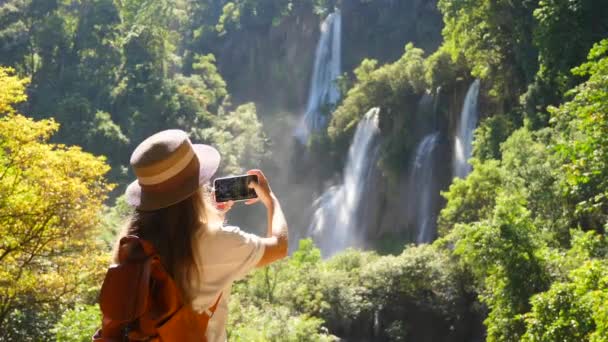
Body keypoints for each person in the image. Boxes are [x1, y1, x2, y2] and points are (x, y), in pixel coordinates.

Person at [115, 129, 288, 341]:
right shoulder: (219, 242)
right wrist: (271, 200)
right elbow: (279, 246)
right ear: (196, 187)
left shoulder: (131, 244)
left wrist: (211, 215)